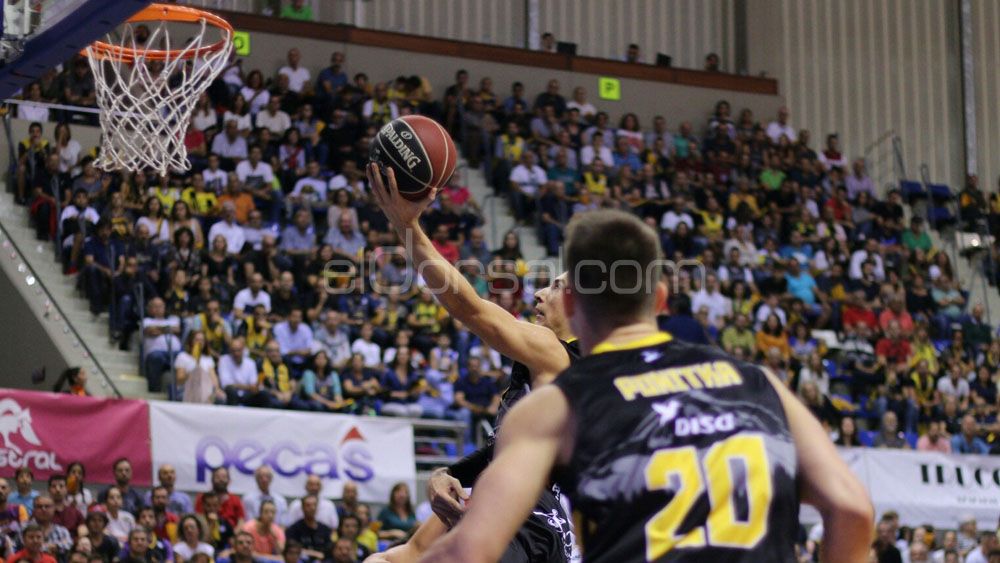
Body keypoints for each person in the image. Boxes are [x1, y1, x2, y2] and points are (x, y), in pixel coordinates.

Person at [418, 209, 874, 562]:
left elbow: (470, 551)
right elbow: (852, 509)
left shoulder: (561, 404)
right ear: (658, 298)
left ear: (572, 303)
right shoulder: (761, 384)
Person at [366, 163, 580, 563]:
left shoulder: (559, 352)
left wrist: (407, 226)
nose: (537, 294)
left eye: (554, 287)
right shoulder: (535, 388)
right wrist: (442, 475)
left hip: (539, 520)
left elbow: (470, 308)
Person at [283, 496, 331, 562]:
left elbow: (329, 549)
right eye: (308, 505)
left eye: (314, 505)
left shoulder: (325, 529)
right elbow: (291, 549)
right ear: (302, 508)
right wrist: (316, 554)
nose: (312, 508)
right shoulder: (294, 529)